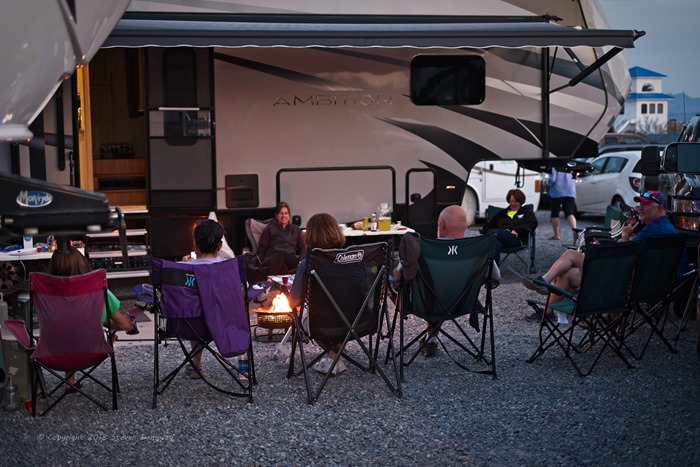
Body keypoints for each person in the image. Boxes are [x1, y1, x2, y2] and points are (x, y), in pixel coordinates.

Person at [522, 190, 689, 318]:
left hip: (627, 282)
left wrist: (624, 236)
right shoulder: (668, 230)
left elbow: (624, 257)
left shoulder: (653, 230)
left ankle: (545, 282)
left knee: (571, 254)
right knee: (568, 274)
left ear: (659, 208)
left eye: (645, 205)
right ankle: (548, 309)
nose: (641, 208)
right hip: (653, 285)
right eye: (641, 204)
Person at [396, 205, 500, 358]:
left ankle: (430, 339)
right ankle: (431, 339)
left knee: (418, 290)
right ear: (465, 226)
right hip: (462, 304)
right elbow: (495, 278)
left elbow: (397, 277)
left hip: (425, 305)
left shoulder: (420, 247)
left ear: (442, 225)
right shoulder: (478, 250)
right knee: (441, 291)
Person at [47, 246, 136, 389]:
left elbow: (63, 323)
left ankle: (70, 380)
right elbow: (126, 325)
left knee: (67, 329)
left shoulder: (44, 295)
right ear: (81, 264)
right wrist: (102, 323)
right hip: (92, 352)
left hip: (52, 353)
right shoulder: (99, 291)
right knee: (77, 331)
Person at [289, 212, 353, 375]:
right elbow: (366, 290)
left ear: (309, 236)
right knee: (343, 311)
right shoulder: (354, 261)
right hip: (356, 321)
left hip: (321, 323)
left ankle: (332, 358)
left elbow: (294, 302)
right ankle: (333, 358)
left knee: (302, 312)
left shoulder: (307, 264)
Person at [181, 219, 226, 379]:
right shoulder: (228, 270)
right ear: (220, 246)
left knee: (195, 311)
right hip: (224, 325)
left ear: (195, 244)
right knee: (206, 311)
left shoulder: (181, 270)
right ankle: (196, 364)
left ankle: (196, 365)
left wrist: (183, 266)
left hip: (186, 326)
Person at [481, 188, 538, 265]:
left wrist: (518, 230)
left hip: (517, 240)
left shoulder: (526, 212)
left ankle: (483, 241)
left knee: (494, 232)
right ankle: (493, 272)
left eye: (516, 201)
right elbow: (487, 226)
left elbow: (532, 224)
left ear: (521, 202)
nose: (513, 203)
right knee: (495, 244)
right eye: (511, 201)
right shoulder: (501, 214)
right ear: (508, 201)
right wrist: (488, 231)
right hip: (501, 238)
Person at [256, 201, 306, 275]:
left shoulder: (295, 229)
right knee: (283, 267)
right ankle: (284, 286)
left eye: (286, 213)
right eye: (281, 213)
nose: (284, 216)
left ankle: (269, 280)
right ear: (276, 215)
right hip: (272, 258)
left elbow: (303, 247)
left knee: (282, 255)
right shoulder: (270, 228)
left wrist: (301, 262)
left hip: (290, 258)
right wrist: (259, 265)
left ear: (289, 215)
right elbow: (262, 247)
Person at [548, 167, 577, 241]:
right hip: (570, 191)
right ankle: (575, 230)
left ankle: (556, 235)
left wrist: (546, 184)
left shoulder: (555, 166)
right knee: (569, 213)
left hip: (556, 192)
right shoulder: (570, 164)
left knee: (555, 214)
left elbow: (552, 179)